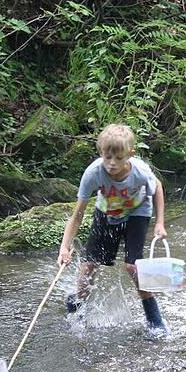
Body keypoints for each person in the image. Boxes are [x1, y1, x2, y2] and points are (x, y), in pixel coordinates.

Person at [57, 124, 168, 336]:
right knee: (90, 263)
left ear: (130, 155)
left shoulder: (141, 171)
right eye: (107, 157)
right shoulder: (93, 173)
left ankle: (154, 319)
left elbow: (158, 188)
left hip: (138, 212)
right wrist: (64, 247)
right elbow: (77, 214)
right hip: (107, 211)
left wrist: (160, 222)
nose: (112, 163)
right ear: (101, 153)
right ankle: (77, 306)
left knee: (133, 266)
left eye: (118, 158)